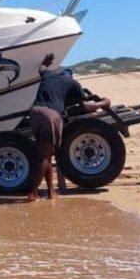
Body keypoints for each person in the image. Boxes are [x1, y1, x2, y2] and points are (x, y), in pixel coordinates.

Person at [27, 52, 111, 201]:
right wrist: (103, 103)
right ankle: (32, 193)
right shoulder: (72, 83)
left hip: (34, 113)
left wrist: (47, 61)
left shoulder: (48, 75)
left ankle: (51, 192)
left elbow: (42, 68)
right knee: (45, 156)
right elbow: (85, 106)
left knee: (47, 154)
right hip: (50, 116)